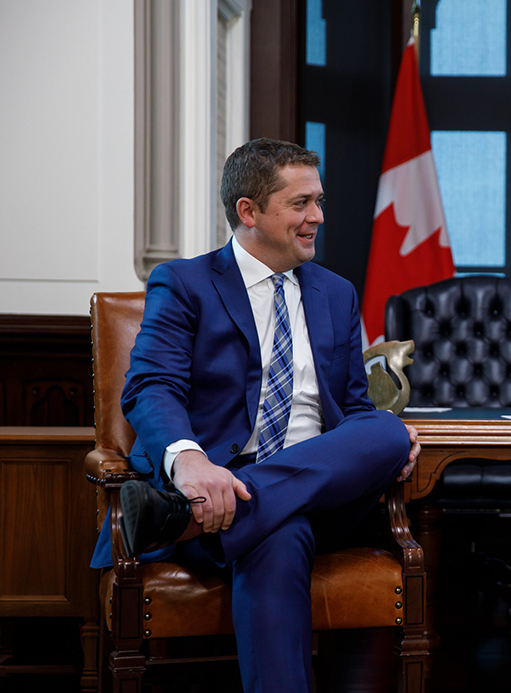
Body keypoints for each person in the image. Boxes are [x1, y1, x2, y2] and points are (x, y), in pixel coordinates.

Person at [89, 138, 421, 692]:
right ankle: (235, 505)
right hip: (214, 484)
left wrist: (385, 446)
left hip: (310, 498)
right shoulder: (186, 283)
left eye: (318, 200)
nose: (317, 216)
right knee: (276, 530)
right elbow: (151, 385)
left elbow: (355, 410)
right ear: (248, 211)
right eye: (300, 204)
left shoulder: (336, 293)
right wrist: (191, 462)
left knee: (386, 429)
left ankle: (190, 514)